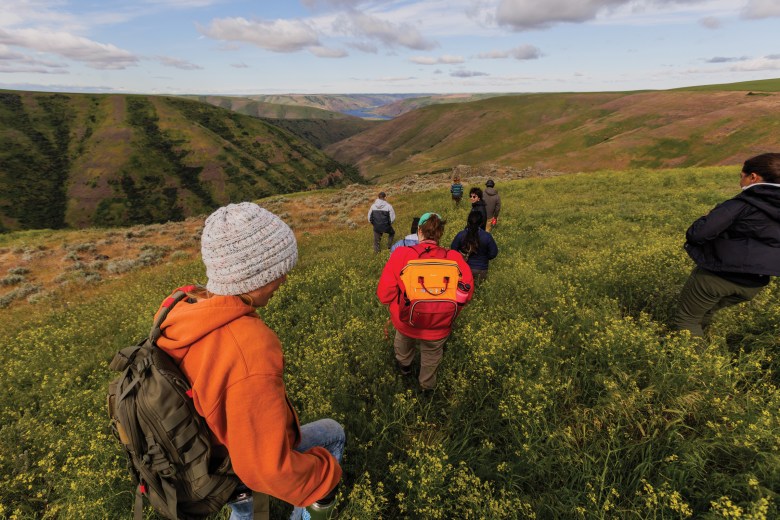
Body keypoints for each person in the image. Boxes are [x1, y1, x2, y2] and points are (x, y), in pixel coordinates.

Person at [154, 202, 344, 520]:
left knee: (243, 510)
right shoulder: (249, 348)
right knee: (333, 433)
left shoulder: (180, 305)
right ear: (254, 274)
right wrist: (324, 479)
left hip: (205, 457)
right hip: (236, 462)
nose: (284, 279)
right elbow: (265, 469)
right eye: (278, 270)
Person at [672, 153, 780, 337]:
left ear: (753, 177)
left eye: (742, 176)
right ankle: (706, 351)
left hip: (719, 276)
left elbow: (697, 235)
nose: (741, 182)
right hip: (755, 283)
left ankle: (698, 363)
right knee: (704, 313)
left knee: (686, 320)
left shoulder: (740, 204)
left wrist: (708, 216)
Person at [377, 212, 474, 391]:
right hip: (440, 324)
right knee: (431, 355)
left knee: (403, 348)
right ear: (440, 234)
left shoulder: (401, 254)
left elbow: (384, 295)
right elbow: (466, 294)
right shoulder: (454, 258)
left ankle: (405, 370)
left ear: (419, 231)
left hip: (406, 322)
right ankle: (427, 388)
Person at [451, 210, 499, 285]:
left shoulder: (461, 235)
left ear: (468, 221)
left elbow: (453, 251)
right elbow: (493, 253)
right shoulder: (487, 236)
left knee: (464, 292)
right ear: (482, 223)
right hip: (481, 269)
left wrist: (461, 258)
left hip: (464, 269)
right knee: (480, 292)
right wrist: (484, 257)